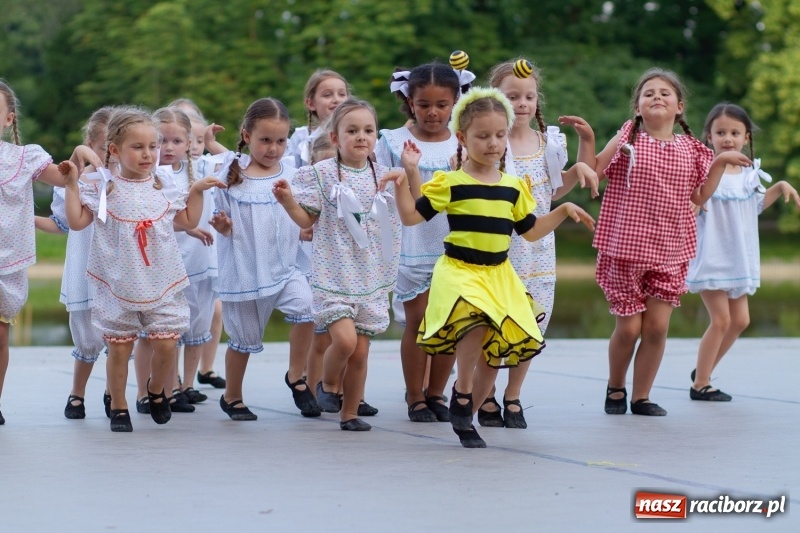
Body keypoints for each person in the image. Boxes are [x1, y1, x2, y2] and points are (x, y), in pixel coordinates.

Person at [385, 87, 595, 448]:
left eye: (500, 135)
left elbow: (530, 233)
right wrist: (406, 178)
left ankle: (468, 410)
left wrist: (562, 211)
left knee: (498, 350)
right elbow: (409, 216)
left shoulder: (514, 188)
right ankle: (462, 390)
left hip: (499, 274)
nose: (494, 143)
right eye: (483, 136)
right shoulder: (450, 183)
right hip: (460, 271)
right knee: (477, 324)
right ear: (464, 138)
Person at [593, 69, 751, 416]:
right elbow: (595, 169)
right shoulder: (627, 140)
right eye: (648, 93)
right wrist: (587, 140)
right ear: (637, 107)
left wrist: (721, 162)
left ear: (679, 107)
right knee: (629, 327)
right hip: (626, 250)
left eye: (665, 93)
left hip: (670, 250)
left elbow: (699, 196)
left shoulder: (693, 149)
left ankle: (641, 396)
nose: (657, 97)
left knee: (657, 327)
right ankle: (616, 386)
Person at [62, 106, 225, 432]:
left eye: (153, 146)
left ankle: (156, 390)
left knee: (166, 342)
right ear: (115, 150)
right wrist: (71, 186)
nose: (149, 154)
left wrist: (195, 192)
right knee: (120, 349)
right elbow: (77, 222)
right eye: (138, 147)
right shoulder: (104, 187)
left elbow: (187, 221)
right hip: (118, 283)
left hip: (160, 280)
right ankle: (119, 405)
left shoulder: (163, 185)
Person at [475, 58, 599, 429]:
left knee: (531, 326)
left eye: (529, 96)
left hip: (539, 250)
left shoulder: (548, 141)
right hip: (499, 249)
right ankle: (487, 394)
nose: (523, 103)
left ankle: (513, 395)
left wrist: (578, 167)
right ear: (495, 100)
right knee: (494, 326)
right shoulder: (491, 145)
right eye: (512, 96)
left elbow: (554, 189)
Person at [274, 98, 404, 431]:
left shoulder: (381, 173)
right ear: (335, 138)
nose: (362, 137)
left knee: (360, 353)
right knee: (344, 342)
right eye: (352, 131)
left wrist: (408, 178)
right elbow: (307, 218)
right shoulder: (323, 174)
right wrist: (289, 202)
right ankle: (327, 384)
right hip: (334, 273)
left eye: (368, 130)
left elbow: (398, 216)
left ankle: (349, 413)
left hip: (370, 275)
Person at [374, 60, 474, 423]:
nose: (433, 112)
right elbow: (377, 193)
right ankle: (415, 396)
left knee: (448, 322)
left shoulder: (464, 143)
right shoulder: (391, 141)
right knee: (418, 322)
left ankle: (437, 392)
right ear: (409, 102)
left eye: (442, 105)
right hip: (412, 243)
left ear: (455, 102)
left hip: (455, 243)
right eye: (424, 105)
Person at [209, 98, 319, 420]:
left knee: (307, 307)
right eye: (265, 140)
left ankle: (296, 376)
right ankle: (232, 397)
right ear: (246, 136)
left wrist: (301, 230)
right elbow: (225, 224)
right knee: (243, 340)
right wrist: (223, 226)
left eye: (281, 141)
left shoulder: (293, 174)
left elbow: (296, 216)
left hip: (285, 266)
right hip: (245, 269)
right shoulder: (230, 175)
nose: (273, 149)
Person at [0, 80, 100, 426]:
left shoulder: (22, 158)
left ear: (9, 119)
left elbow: (63, 176)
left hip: (6, 260)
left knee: (0, 336)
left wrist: (77, 152)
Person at [686, 103, 800, 401]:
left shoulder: (750, 174)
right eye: (720, 132)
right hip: (712, 256)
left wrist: (781, 185)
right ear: (708, 137)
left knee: (740, 321)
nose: (728, 138)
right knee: (721, 320)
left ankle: (703, 370)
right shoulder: (706, 172)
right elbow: (693, 205)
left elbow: (757, 205)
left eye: (734, 132)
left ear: (746, 137)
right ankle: (700, 383)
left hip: (740, 257)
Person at [34, 106, 115, 419]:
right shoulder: (76, 183)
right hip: (85, 269)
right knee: (87, 339)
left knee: (118, 340)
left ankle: (113, 393)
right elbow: (62, 223)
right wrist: (31, 220)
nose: (109, 155)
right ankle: (77, 394)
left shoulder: (129, 180)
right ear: (91, 146)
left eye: (115, 147)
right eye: (102, 147)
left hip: (119, 272)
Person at [168, 98, 227, 389]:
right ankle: (170, 382)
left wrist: (213, 144)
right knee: (171, 324)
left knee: (199, 320)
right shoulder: (159, 170)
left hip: (201, 257)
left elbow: (235, 165)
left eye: (198, 138)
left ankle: (188, 385)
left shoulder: (204, 166)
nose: (192, 144)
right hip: (170, 258)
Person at [286, 69, 349, 169]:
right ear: (311, 103)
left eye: (342, 94)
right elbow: (290, 170)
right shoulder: (302, 136)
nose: (337, 100)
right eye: (327, 95)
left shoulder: (360, 132)